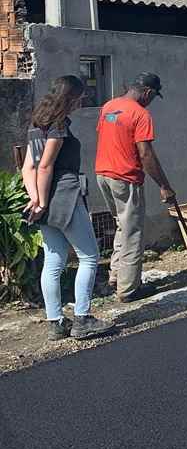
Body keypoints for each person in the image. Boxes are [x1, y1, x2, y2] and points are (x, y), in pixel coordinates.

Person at [21, 75, 114, 341]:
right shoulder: (58, 125)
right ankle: (82, 319)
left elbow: (28, 167)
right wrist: (42, 201)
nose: (82, 101)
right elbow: (45, 166)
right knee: (89, 256)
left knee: (53, 261)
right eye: (80, 97)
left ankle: (56, 323)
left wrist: (35, 199)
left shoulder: (37, 124)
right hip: (64, 195)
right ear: (70, 97)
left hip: (45, 199)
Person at [95, 73, 175, 303]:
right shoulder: (140, 114)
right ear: (148, 92)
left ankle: (116, 277)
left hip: (103, 175)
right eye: (153, 97)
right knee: (133, 233)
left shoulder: (109, 107)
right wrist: (164, 186)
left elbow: (109, 135)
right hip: (125, 178)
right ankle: (129, 289)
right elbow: (145, 154)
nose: (151, 101)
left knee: (122, 226)